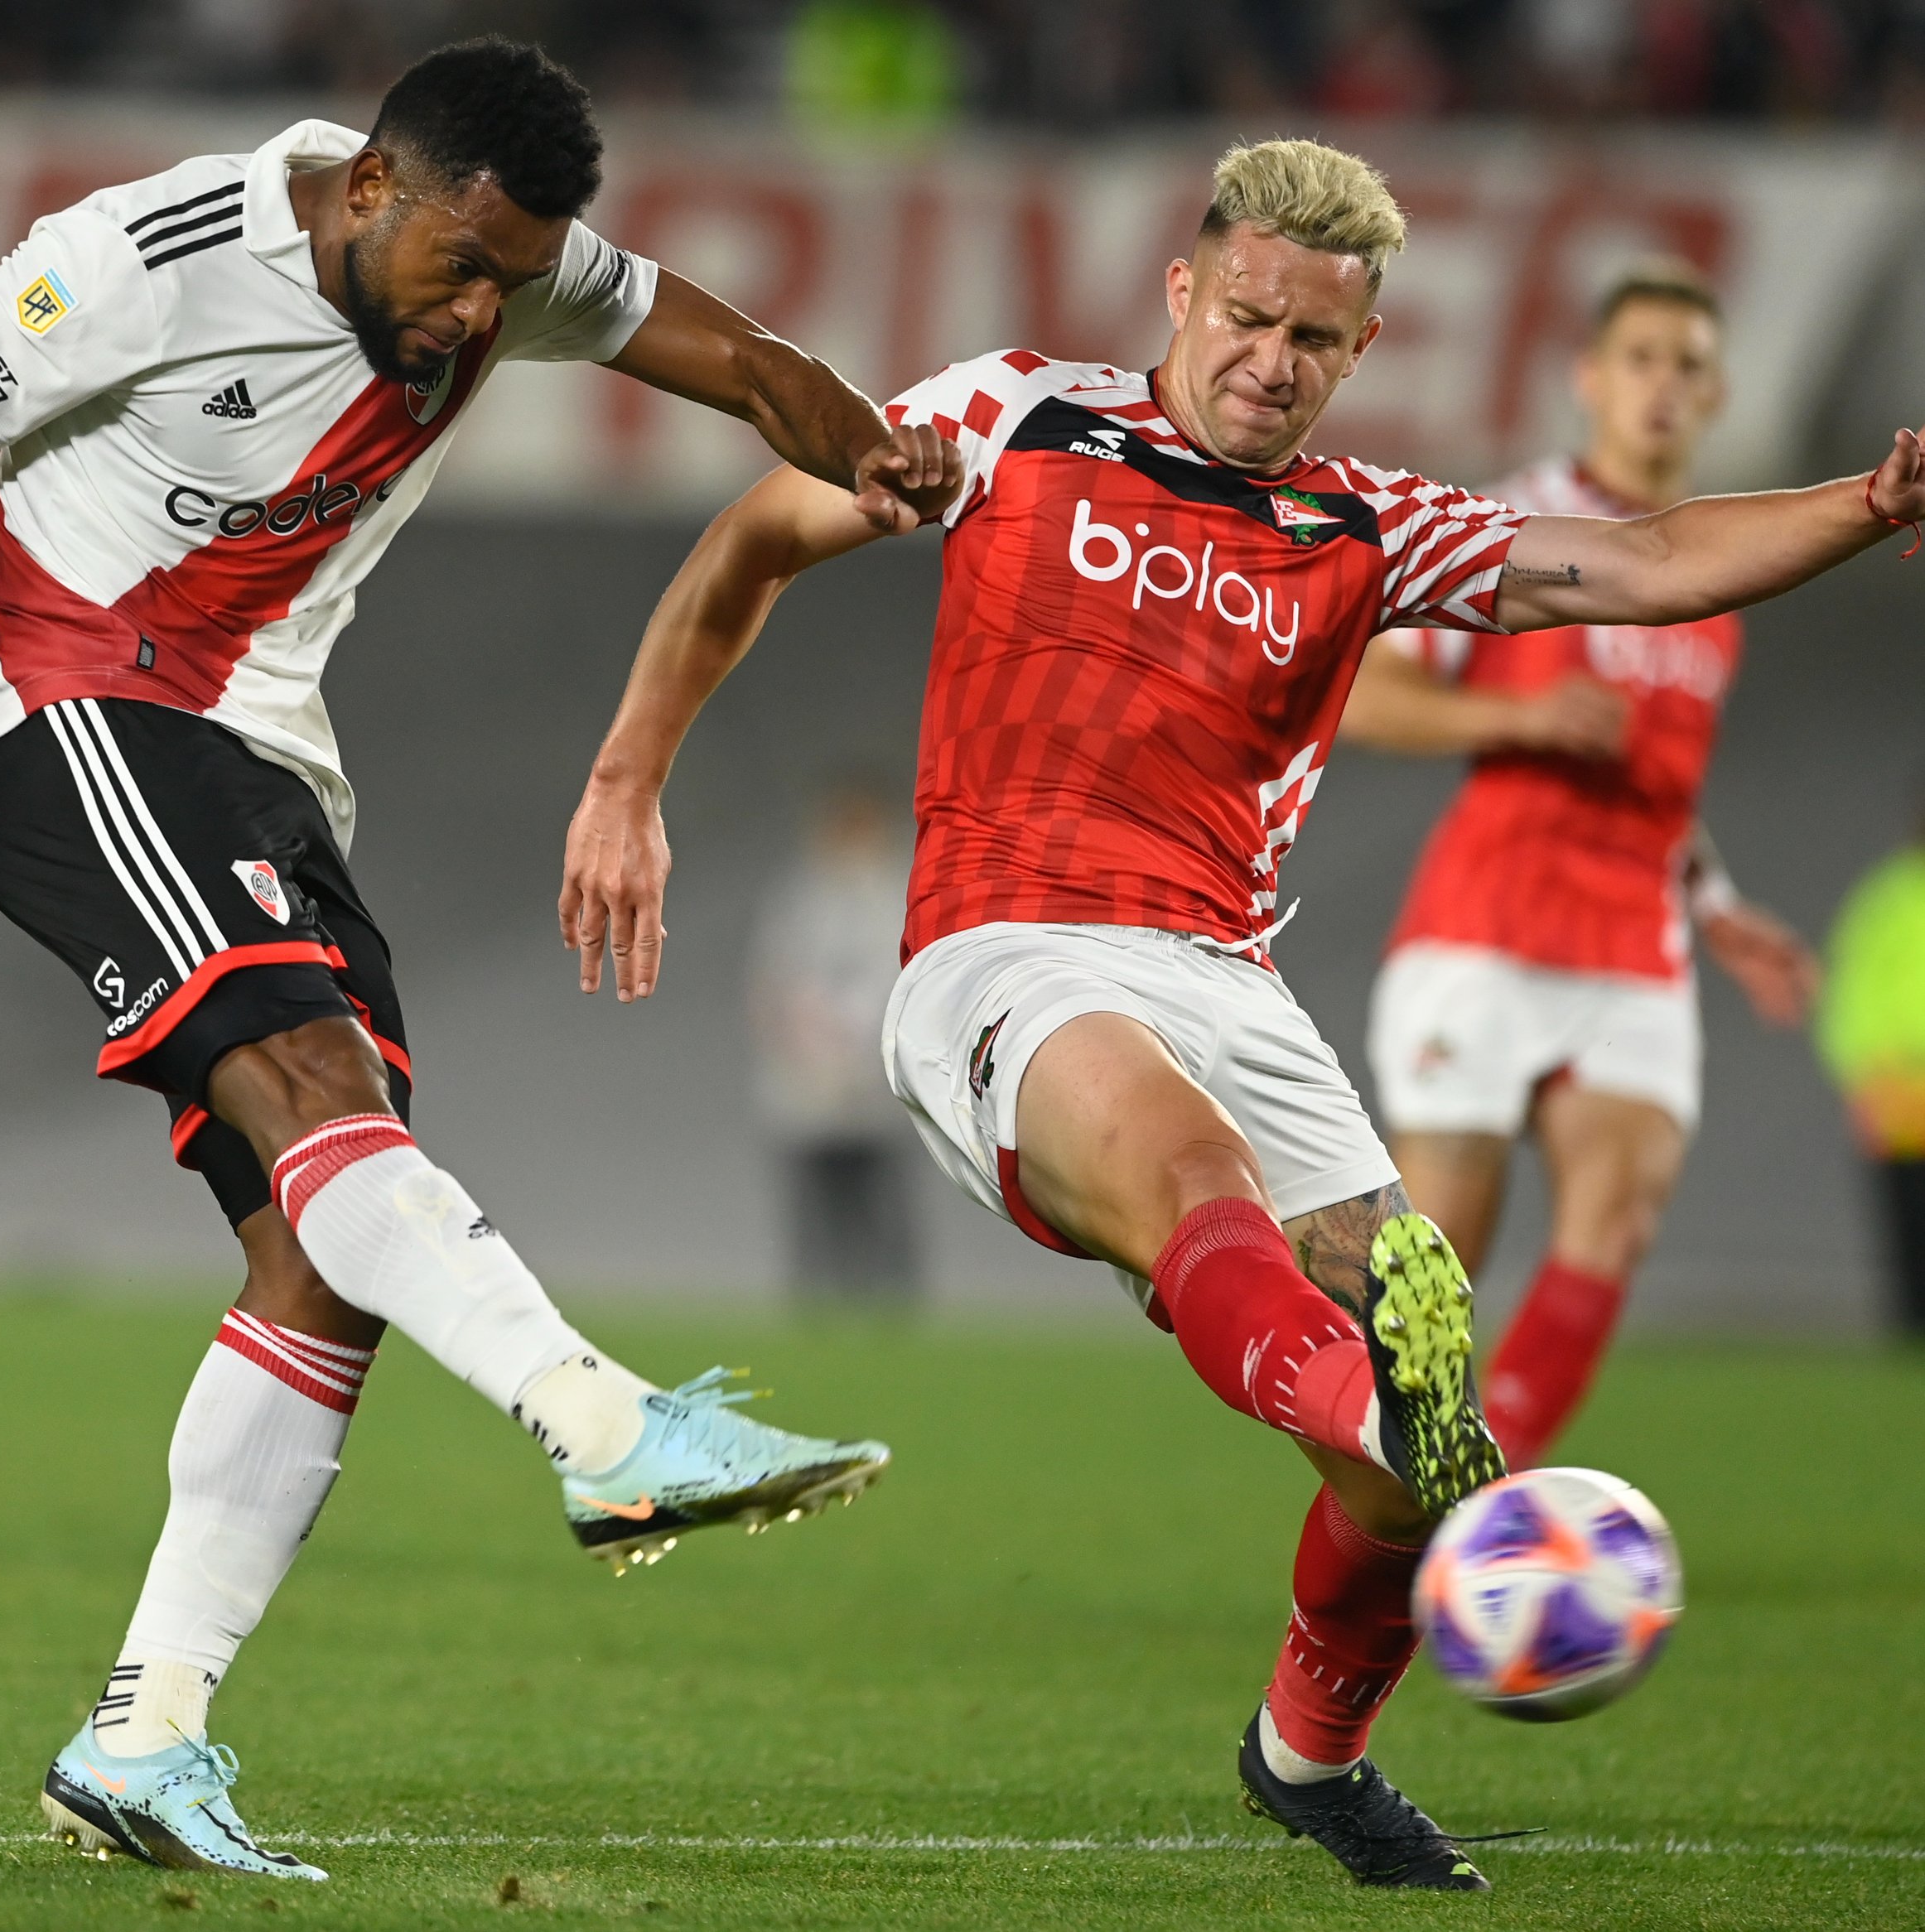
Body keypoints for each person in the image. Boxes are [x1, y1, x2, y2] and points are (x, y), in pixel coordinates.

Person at [0, 39, 939, 1880]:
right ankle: (601, 1417)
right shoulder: (150, 255)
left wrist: (858, 433)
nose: (483, 312)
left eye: (514, 281)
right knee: (327, 1104)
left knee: (321, 1252)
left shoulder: (504, 261)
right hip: (84, 725)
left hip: (262, 769)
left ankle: (146, 1732)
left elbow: (729, 357)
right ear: (373, 188)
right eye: (460, 269)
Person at [559, 137, 1925, 1891]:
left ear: (1360, 353)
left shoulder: (1366, 524)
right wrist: (626, 774)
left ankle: (1308, 1750)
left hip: (1230, 980)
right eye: (1249, 315)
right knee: (1243, 1233)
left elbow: (1643, 559)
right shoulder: (1012, 419)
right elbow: (758, 531)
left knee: (1413, 1429)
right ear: (1182, 290)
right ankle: (1359, 1397)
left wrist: (1871, 506)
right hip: (1006, 948)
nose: (1270, 360)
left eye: (1314, 340)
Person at [1339, 262, 1821, 1469]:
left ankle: (1488, 1499)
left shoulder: (1712, 586)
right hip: (1485, 929)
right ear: (1590, 380)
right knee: (1436, 1260)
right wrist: (1516, 718)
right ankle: (1388, 1488)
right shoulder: (1524, 530)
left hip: (1632, 945)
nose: (1664, 385)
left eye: (1689, 365)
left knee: (1619, 1219)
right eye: (1642, 358)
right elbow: (1362, 694)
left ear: (1715, 397)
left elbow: (1659, 787)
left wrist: (1717, 902)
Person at [750, 778, 920, 1300]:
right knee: (816, 1205)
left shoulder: (903, 900)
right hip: (811, 1086)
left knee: (882, 1201)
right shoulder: (799, 902)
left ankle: (890, 1304)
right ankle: (819, 1302)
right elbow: (770, 988)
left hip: (879, 1086)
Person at [1816, 798, 1925, 1337]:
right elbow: (1850, 990)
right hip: (1901, 1079)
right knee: (1908, 1203)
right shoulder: (1887, 898)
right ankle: (1911, 1323)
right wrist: (1862, 1074)